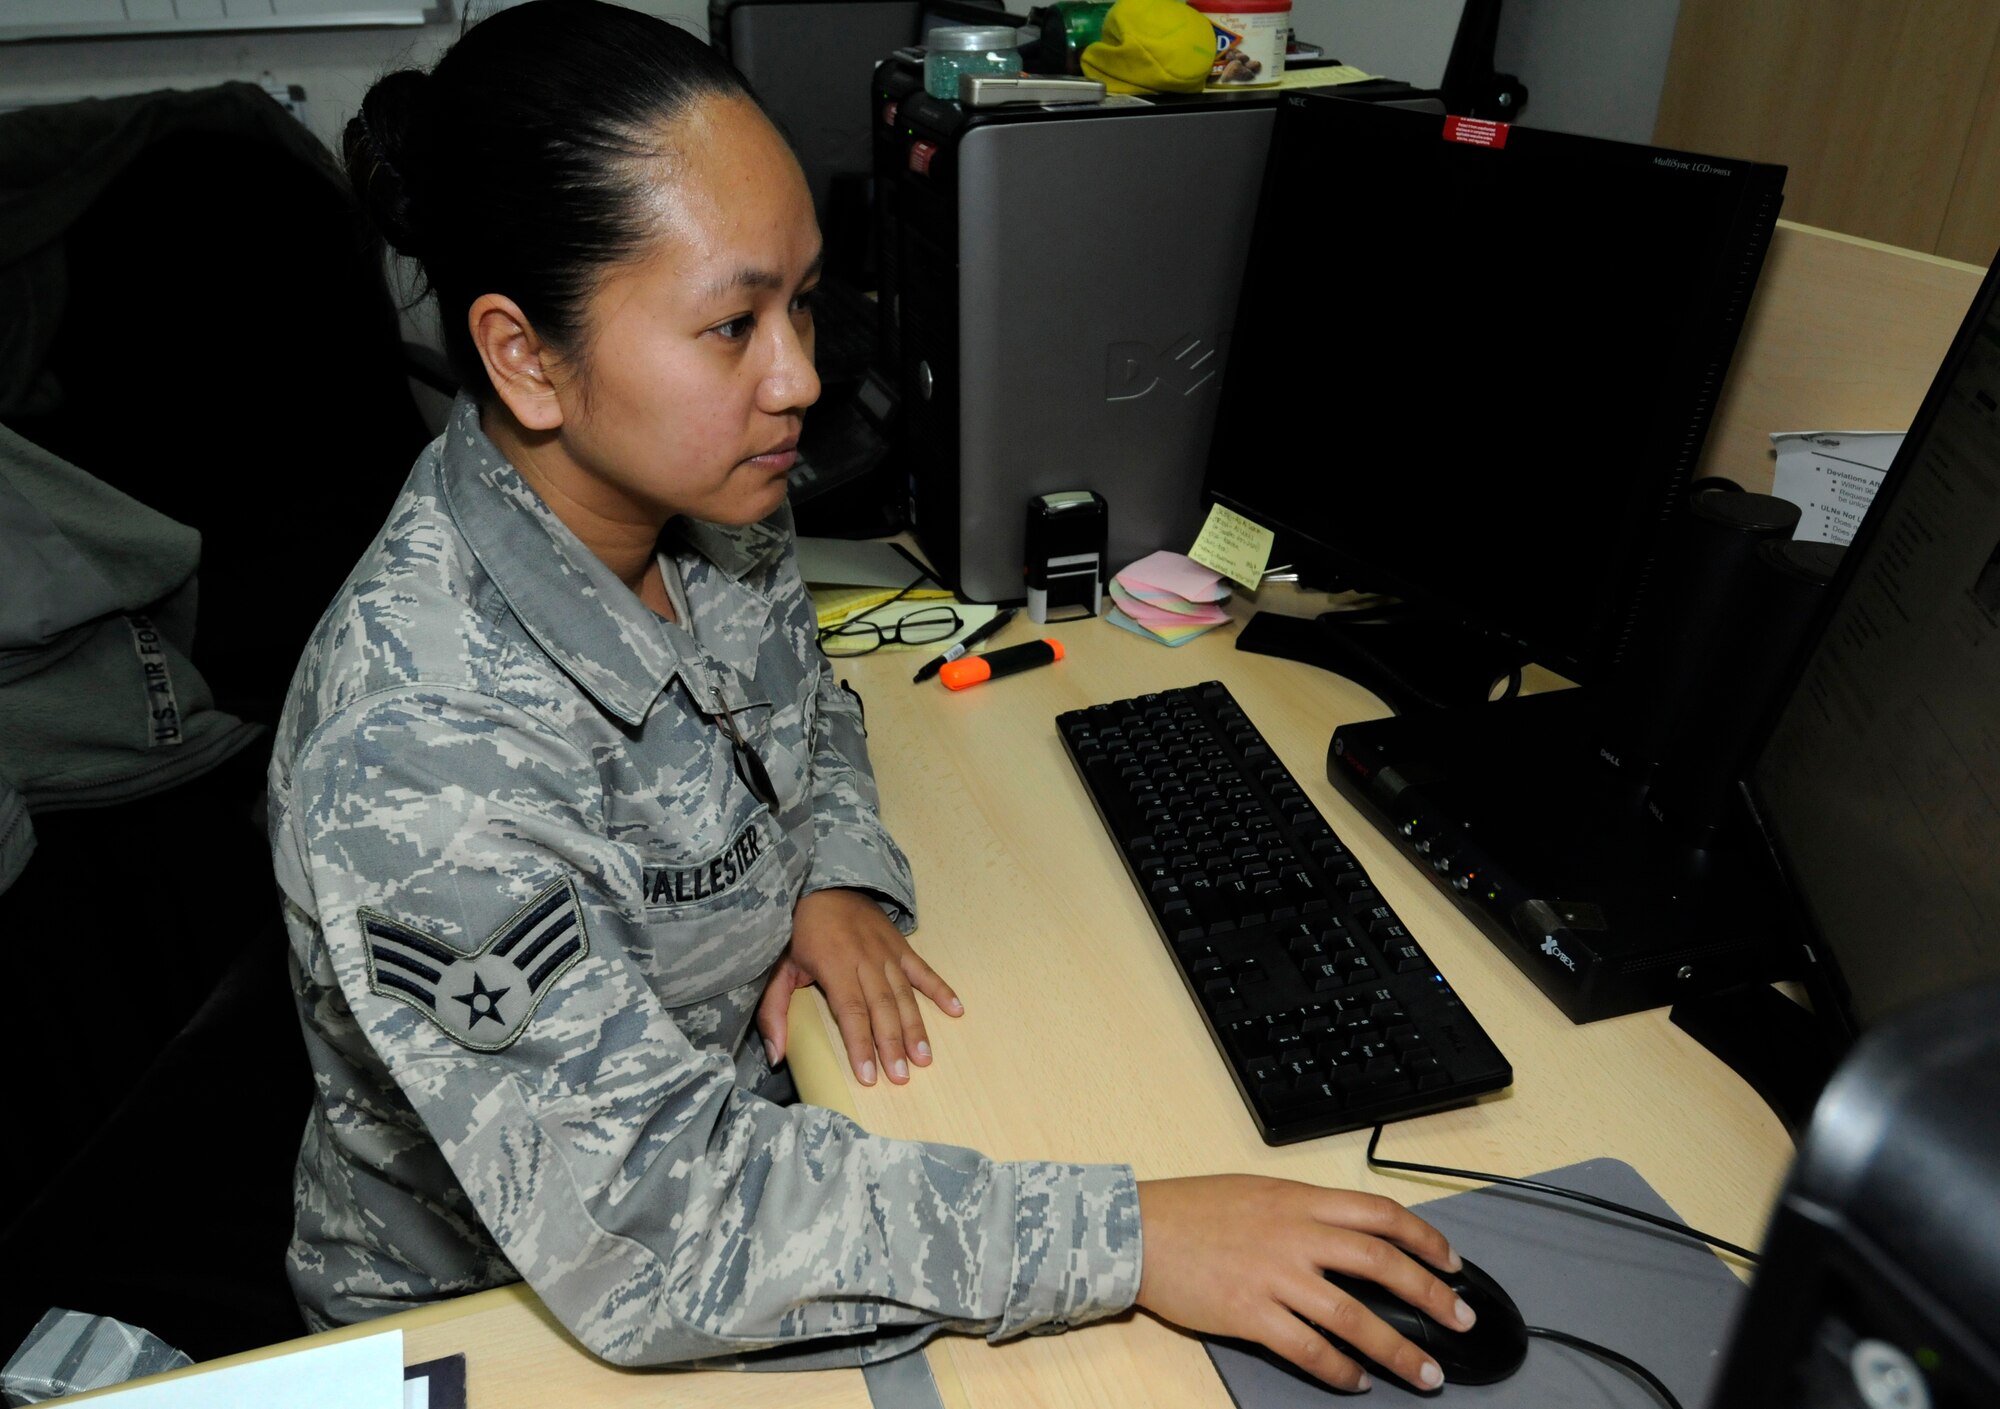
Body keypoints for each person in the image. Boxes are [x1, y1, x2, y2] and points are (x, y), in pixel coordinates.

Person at [271, 0, 1478, 1392]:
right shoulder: (423, 747)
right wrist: (1133, 1237)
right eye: (732, 325)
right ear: (526, 357)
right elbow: (661, 1228)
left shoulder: (705, 497)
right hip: (495, 1313)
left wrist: (830, 873)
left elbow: (809, 709)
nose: (799, 377)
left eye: (800, 301)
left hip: (702, 1153)